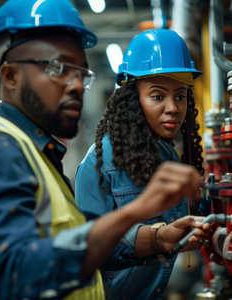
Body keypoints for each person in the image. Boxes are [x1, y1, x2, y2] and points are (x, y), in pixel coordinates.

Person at [0, 2, 208, 300]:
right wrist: (136, 212)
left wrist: (158, 238)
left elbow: (90, 247)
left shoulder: (36, 158)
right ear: (10, 75)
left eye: (81, 73)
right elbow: (20, 274)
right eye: (59, 68)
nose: (76, 85)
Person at [75, 29, 206, 300]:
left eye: (180, 96)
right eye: (158, 96)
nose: (173, 107)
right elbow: (90, 247)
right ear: (134, 100)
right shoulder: (100, 163)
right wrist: (158, 238)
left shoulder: (167, 156)